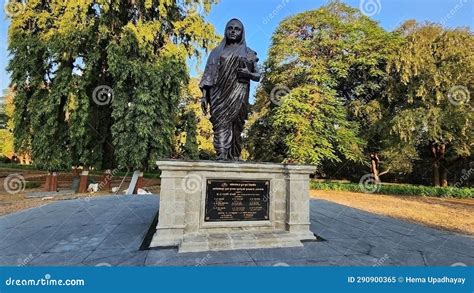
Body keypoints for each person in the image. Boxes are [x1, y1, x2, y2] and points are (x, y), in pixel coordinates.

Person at [200, 18, 261, 161]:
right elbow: (208, 74)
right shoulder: (216, 52)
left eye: (237, 29)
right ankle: (221, 155)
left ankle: (234, 154)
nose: (233, 31)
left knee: (236, 125)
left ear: (242, 32)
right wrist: (204, 96)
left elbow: (257, 75)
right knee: (220, 123)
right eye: (230, 28)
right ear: (225, 31)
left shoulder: (249, 53)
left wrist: (249, 74)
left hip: (239, 93)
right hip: (218, 94)